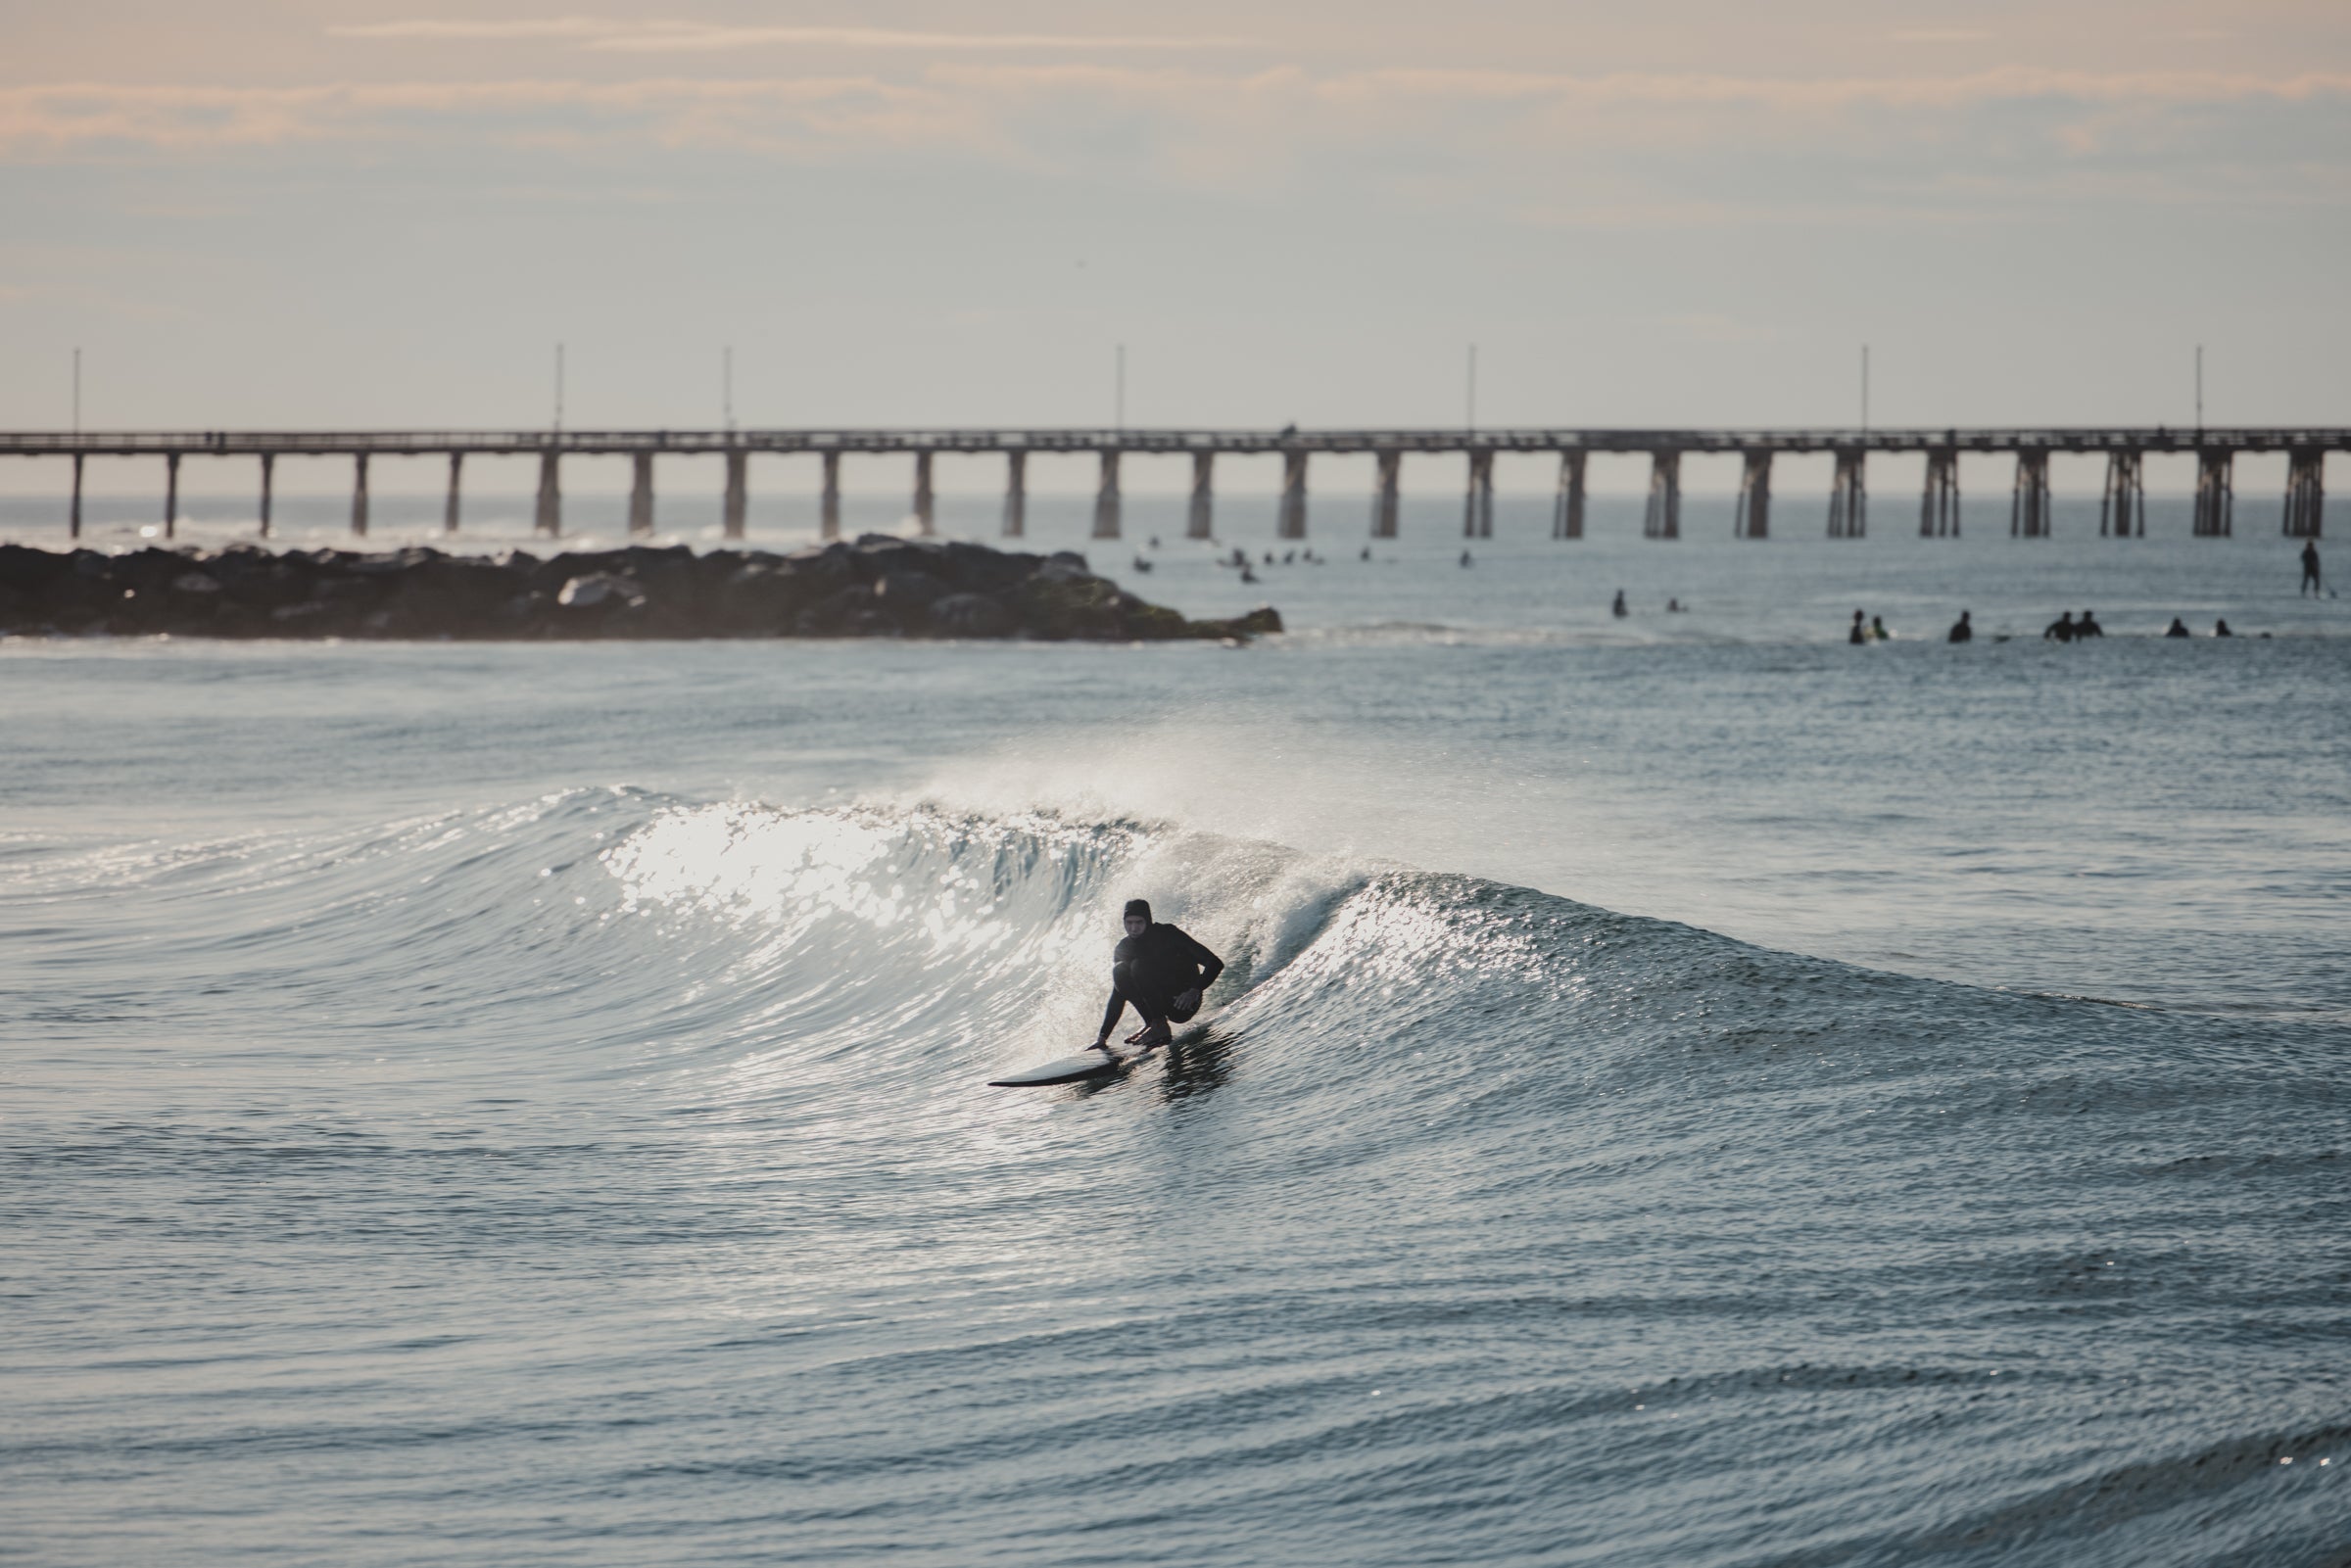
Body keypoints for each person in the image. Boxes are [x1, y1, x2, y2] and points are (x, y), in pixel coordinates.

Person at [1094, 899, 1224, 1052]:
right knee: (1119, 971)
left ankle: (1159, 1025)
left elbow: (1214, 963)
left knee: (1138, 966)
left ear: (1148, 920)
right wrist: (1103, 1037)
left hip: (1183, 1003)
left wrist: (1194, 991)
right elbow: (1119, 992)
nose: (1133, 928)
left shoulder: (1169, 934)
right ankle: (1153, 1023)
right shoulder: (1123, 948)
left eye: (1139, 922)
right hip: (1158, 1004)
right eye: (1128, 923)